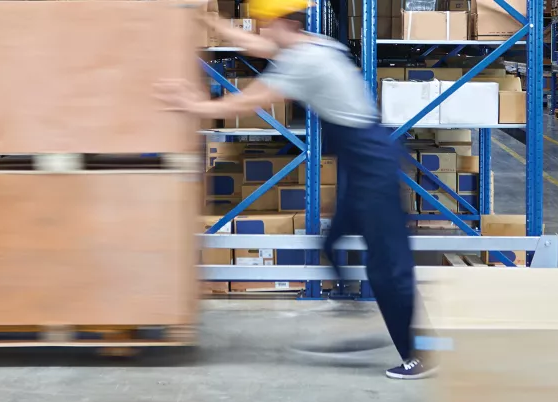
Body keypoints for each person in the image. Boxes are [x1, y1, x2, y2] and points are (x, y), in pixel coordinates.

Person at [154, 0, 427, 380]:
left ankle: (417, 355)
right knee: (331, 240)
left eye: (266, 24)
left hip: (372, 166)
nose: (262, 32)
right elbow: (253, 45)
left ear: (283, 24)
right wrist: (207, 18)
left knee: (387, 267)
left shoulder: (304, 63)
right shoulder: (310, 44)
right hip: (360, 160)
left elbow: (251, 99)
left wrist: (191, 105)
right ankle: (349, 305)